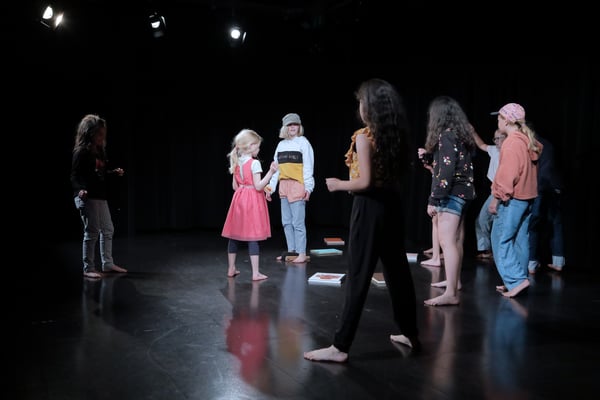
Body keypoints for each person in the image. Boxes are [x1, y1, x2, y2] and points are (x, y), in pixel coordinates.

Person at [303, 78, 420, 363]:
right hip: (392, 206)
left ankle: (340, 347)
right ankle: (410, 333)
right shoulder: (395, 136)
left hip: (369, 209)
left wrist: (338, 185)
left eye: (361, 102)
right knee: (397, 272)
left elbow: (364, 182)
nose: (359, 107)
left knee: (358, 275)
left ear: (370, 107)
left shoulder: (364, 137)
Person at [422, 96, 476, 306]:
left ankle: (451, 293)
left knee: (447, 242)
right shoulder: (460, 136)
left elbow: (446, 173)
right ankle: (455, 282)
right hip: (465, 193)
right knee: (455, 241)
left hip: (452, 194)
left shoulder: (445, 136)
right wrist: (430, 161)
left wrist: (433, 199)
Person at [489, 103, 542, 297]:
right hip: (527, 199)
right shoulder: (526, 141)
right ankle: (517, 280)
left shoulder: (512, 143)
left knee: (501, 239)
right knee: (519, 240)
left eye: (499, 118)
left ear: (507, 120)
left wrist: (497, 198)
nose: (497, 121)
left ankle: (516, 281)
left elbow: (507, 175)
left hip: (513, 199)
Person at [71, 114, 127, 279]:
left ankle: (107, 263)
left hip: (100, 197)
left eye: (103, 134)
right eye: (99, 134)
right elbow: (74, 176)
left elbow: (99, 175)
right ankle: (88, 267)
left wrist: (113, 173)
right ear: (89, 133)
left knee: (108, 229)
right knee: (92, 232)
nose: (102, 137)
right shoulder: (81, 152)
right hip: (87, 197)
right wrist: (80, 190)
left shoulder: (100, 152)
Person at [222, 129, 278, 281]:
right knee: (253, 235)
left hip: (239, 199)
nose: (258, 150)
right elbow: (258, 186)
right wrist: (271, 172)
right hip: (252, 201)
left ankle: (231, 268)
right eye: (258, 147)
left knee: (234, 235)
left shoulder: (237, 161)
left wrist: (244, 188)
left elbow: (235, 186)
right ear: (251, 146)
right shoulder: (254, 163)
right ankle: (255, 273)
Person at [266, 113, 315, 263]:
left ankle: (301, 253)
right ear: (285, 127)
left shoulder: (303, 143)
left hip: (297, 184)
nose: (293, 127)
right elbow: (276, 169)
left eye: (295, 124)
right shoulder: (281, 145)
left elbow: (308, 167)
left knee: (298, 222)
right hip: (283, 185)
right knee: (286, 222)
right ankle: (292, 251)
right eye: (289, 125)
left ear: (299, 126)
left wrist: (308, 188)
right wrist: (270, 189)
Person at [528, 134, 565, 273]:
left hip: (540, 186)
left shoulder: (531, 143)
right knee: (556, 224)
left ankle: (531, 263)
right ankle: (558, 262)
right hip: (554, 186)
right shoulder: (548, 143)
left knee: (533, 224)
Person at [473, 129, 507, 260]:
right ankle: (487, 250)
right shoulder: (494, 150)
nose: (496, 141)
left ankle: (495, 251)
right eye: (495, 139)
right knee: (483, 220)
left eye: (499, 138)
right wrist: (473, 132)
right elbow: (482, 145)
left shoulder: (509, 152)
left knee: (490, 220)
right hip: (494, 190)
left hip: (502, 190)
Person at [418, 148, 443, 267]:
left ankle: (436, 257)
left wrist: (432, 201)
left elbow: (441, 177)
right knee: (437, 220)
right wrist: (432, 169)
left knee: (436, 220)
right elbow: (438, 174)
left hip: (443, 190)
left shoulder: (444, 147)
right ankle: (437, 252)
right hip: (446, 188)